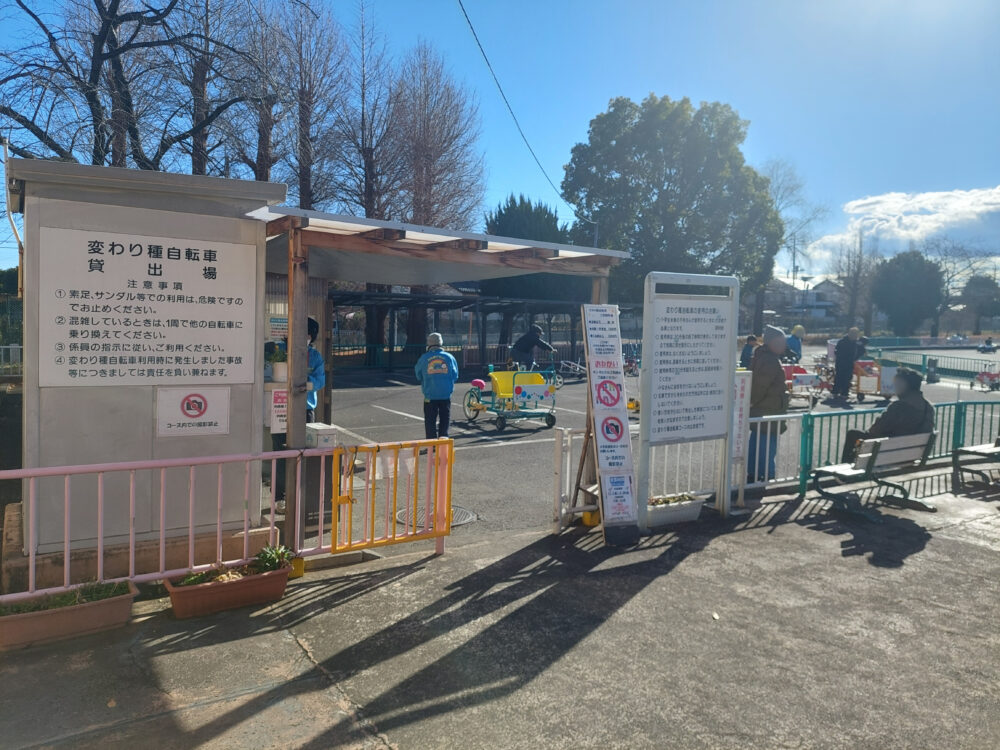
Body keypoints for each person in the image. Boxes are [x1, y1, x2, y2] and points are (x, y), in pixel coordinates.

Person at [272, 316, 327, 501]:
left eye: (308, 334)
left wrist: (305, 381)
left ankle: (299, 493)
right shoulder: (278, 351)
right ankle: (279, 495)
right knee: (279, 451)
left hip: (305, 410)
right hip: (280, 408)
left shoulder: (315, 356)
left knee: (303, 451)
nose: (305, 337)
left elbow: (320, 381)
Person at [840, 368, 934, 462]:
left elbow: (874, 430)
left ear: (906, 386)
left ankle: (845, 469)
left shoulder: (898, 406)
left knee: (853, 434)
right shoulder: (928, 407)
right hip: (913, 455)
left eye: (897, 384)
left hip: (891, 454)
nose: (894, 387)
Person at [748, 325, 789, 482]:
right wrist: (752, 401)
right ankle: (766, 474)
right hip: (769, 408)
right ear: (771, 343)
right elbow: (760, 385)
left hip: (763, 407)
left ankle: (754, 472)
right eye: (780, 342)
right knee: (767, 443)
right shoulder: (770, 360)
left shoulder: (762, 356)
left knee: (757, 440)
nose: (783, 346)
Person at [415, 332, 459, 439]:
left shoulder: (424, 358)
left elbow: (418, 375)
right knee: (445, 419)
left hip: (430, 395)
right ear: (441, 343)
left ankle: (431, 444)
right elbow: (455, 375)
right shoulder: (449, 357)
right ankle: (443, 442)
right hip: (445, 394)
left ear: (429, 344)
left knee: (430, 420)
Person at [832, 327, 861, 398]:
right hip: (841, 362)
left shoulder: (855, 343)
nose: (856, 336)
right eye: (855, 334)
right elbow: (837, 351)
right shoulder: (842, 342)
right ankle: (836, 392)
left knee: (847, 378)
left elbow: (858, 352)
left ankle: (844, 393)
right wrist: (842, 358)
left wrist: (855, 358)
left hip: (849, 363)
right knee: (839, 377)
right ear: (850, 334)